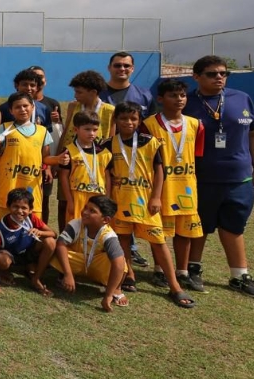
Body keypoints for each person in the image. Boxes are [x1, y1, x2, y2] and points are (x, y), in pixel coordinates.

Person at [106, 102, 195, 308]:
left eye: (133, 118)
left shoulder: (151, 142)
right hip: (121, 200)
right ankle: (129, 274)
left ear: (139, 120)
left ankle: (174, 286)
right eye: (123, 118)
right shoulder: (109, 144)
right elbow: (106, 171)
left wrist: (156, 197)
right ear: (116, 121)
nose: (128, 122)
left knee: (159, 241)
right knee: (123, 240)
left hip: (146, 202)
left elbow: (160, 172)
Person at [183, 55, 254, 296]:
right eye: (212, 74)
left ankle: (239, 275)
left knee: (234, 226)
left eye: (224, 73)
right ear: (196, 77)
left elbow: (252, 134)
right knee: (199, 225)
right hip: (201, 177)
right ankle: (193, 269)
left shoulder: (242, 99)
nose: (219, 77)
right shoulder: (187, 103)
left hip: (239, 177)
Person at [143, 79, 205, 290]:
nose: (179, 100)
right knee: (159, 231)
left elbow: (197, 156)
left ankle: (183, 271)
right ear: (160, 99)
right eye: (173, 95)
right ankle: (159, 270)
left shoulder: (195, 124)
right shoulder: (149, 124)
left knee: (185, 231)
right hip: (161, 187)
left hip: (186, 186)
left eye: (182, 95)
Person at [0, 93, 62, 224]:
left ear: (33, 107)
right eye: (17, 107)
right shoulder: (4, 128)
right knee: (4, 224)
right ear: (11, 110)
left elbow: (45, 158)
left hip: (31, 184)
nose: (22, 109)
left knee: (33, 225)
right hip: (9, 184)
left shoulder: (42, 131)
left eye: (25, 106)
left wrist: (58, 159)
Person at [44, 195, 127, 312]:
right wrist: (68, 274)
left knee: (121, 263)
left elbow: (118, 264)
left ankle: (115, 289)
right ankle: (64, 275)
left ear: (106, 220)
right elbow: (61, 244)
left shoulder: (108, 235)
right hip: (77, 261)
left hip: (95, 264)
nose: (85, 212)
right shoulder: (76, 224)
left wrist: (107, 295)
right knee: (56, 248)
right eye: (86, 208)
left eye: (92, 211)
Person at [0, 188, 56, 298]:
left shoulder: (31, 218)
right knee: (2, 260)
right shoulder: (1, 227)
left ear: (31, 209)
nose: (19, 211)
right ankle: (3, 272)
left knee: (50, 242)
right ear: (8, 206)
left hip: (28, 252)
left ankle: (36, 278)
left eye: (24, 208)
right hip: (11, 256)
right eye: (15, 206)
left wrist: (40, 232)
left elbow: (53, 233)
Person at [57, 111, 111, 224]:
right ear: (76, 130)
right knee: (76, 231)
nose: (91, 133)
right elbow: (64, 177)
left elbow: (107, 177)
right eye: (87, 129)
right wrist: (70, 201)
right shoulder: (69, 151)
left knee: (96, 230)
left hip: (98, 197)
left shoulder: (105, 153)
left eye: (95, 130)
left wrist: (107, 199)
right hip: (77, 197)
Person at [26, 65, 61, 225]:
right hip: (21, 160)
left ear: (44, 81)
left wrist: (48, 165)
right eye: (33, 76)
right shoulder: (16, 103)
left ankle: (42, 229)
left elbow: (53, 133)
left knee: (43, 198)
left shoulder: (51, 104)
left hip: (43, 160)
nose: (36, 80)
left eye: (40, 77)